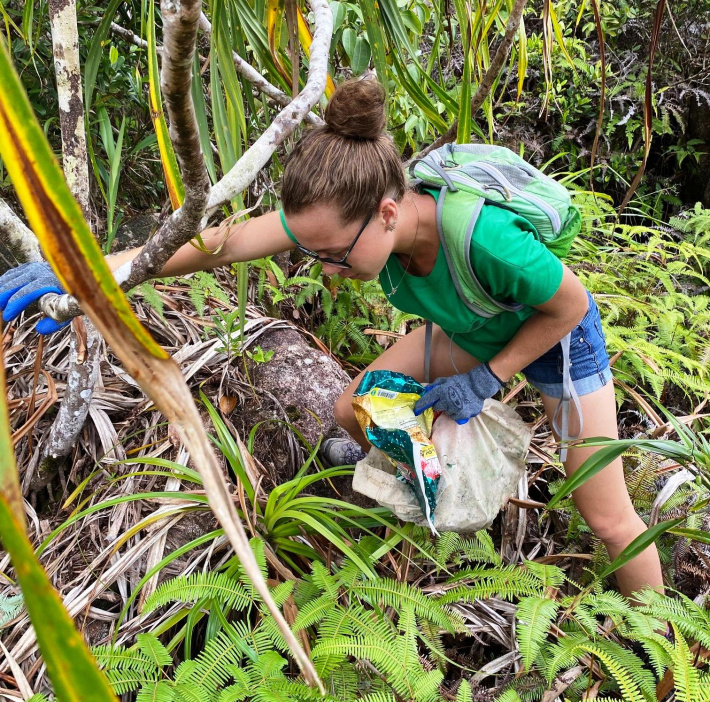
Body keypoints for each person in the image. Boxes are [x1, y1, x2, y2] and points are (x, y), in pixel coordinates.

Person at [0, 78, 664, 605]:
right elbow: (222, 243)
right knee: (355, 409)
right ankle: (443, 496)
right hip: (472, 325)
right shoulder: (346, 213)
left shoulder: (485, 239)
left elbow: (571, 305)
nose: (323, 267)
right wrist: (81, 270)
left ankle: (664, 661)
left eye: (333, 256)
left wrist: (489, 377)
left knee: (606, 517)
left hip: (555, 340)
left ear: (387, 213)